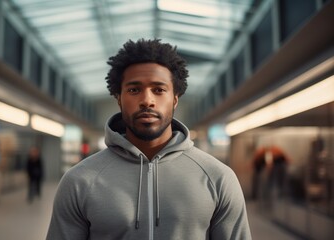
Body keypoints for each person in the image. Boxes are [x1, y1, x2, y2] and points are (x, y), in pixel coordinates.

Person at [46, 39, 251, 239]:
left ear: (175, 99)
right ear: (119, 98)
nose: (147, 101)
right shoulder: (80, 180)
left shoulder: (218, 178)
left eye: (159, 90)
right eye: (134, 90)